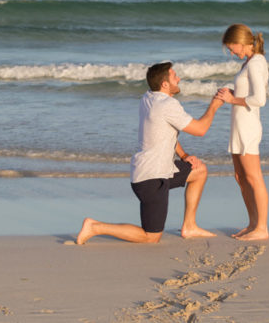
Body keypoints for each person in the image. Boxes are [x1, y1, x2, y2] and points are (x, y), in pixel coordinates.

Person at [76, 62, 223, 244]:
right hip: (152, 179)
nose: (178, 78)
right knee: (151, 237)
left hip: (156, 171)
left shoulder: (148, 97)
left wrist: (184, 156)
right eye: (174, 76)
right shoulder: (167, 105)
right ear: (165, 84)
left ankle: (190, 226)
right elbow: (200, 129)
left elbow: (163, 134)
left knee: (199, 171)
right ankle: (95, 227)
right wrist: (215, 106)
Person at [215, 24, 269, 241]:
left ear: (243, 42)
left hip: (247, 127)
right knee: (240, 177)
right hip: (238, 126)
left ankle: (262, 228)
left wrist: (232, 99)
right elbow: (247, 93)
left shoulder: (256, 62)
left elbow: (259, 99)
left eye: (232, 48)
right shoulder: (248, 63)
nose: (231, 52)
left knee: (254, 177)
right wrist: (233, 93)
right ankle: (253, 224)